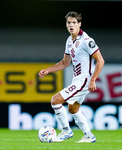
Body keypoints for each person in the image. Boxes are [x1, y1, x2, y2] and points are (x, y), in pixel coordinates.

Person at [38, 11, 104, 143]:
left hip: (84, 80)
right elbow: (65, 63)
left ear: (79, 24)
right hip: (77, 79)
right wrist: (48, 70)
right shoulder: (69, 40)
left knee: (55, 100)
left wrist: (93, 80)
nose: (71, 25)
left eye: (74, 22)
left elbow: (100, 60)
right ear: (66, 25)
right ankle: (89, 136)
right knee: (73, 108)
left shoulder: (86, 40)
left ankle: (66, 131)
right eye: (69, 23)